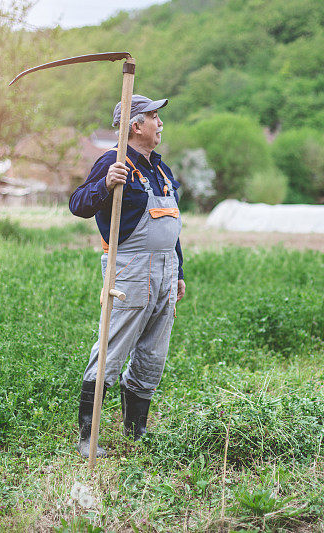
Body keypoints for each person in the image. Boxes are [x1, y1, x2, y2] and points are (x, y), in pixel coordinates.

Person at [69, 95, 186, 458]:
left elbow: (172, 225)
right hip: (130, 270)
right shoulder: (113, 162)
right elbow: (78, 205)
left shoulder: (160, 168)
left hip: (165, 270)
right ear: (136, 125)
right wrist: (105, 184)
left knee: (153, 354)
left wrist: (178, 271)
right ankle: (87, 438)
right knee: (111, 350)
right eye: (154, 117)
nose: (160, 123)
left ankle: (137, 432)